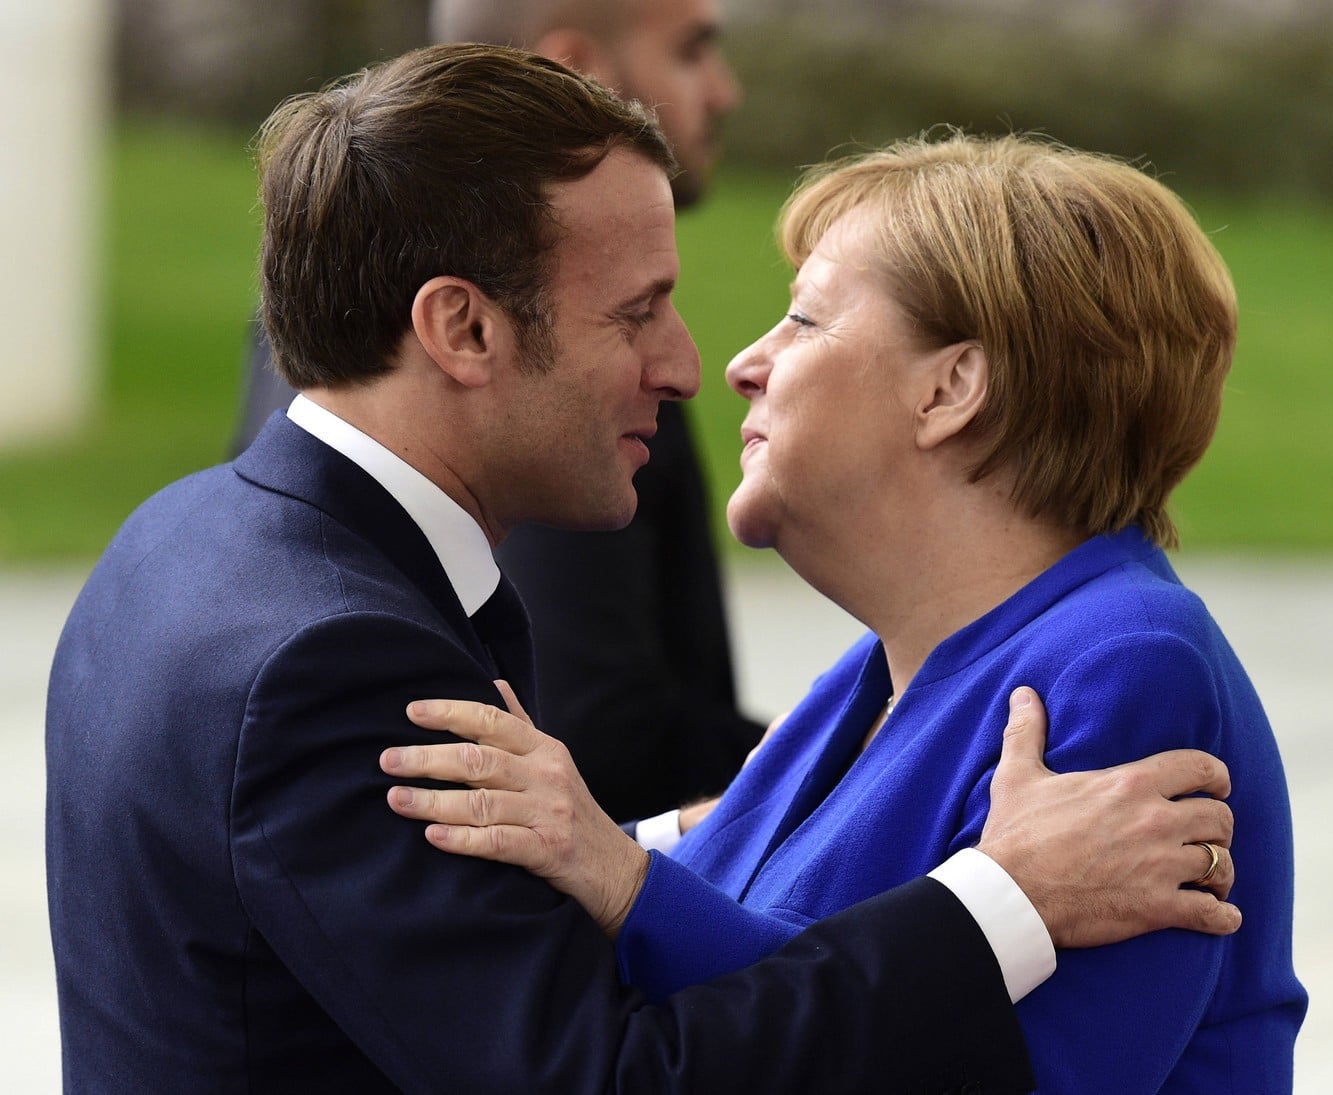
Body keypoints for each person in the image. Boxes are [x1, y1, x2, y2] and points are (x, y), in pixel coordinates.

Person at [46, 47, 1242, 1093]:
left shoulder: (191, 538)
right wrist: (1001, 904)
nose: (700, 365)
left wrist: (625, 855)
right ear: (462, 329)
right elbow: (609, 1068)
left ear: (953, 387)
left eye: (805, 322)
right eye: (638, 312)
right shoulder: (331, 652)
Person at [380, 133, 1307, 1090]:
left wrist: (615, 872)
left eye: (805, 320)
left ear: (950, 389)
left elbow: (969, 1067)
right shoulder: (883, 670)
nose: (744, 363)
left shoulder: (1125, 665)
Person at [231, 0, 758, 821]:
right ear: (465, 330)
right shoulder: (521, 415)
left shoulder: (330, 313)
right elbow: (592, 741)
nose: (725, 92)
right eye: (692, 52)